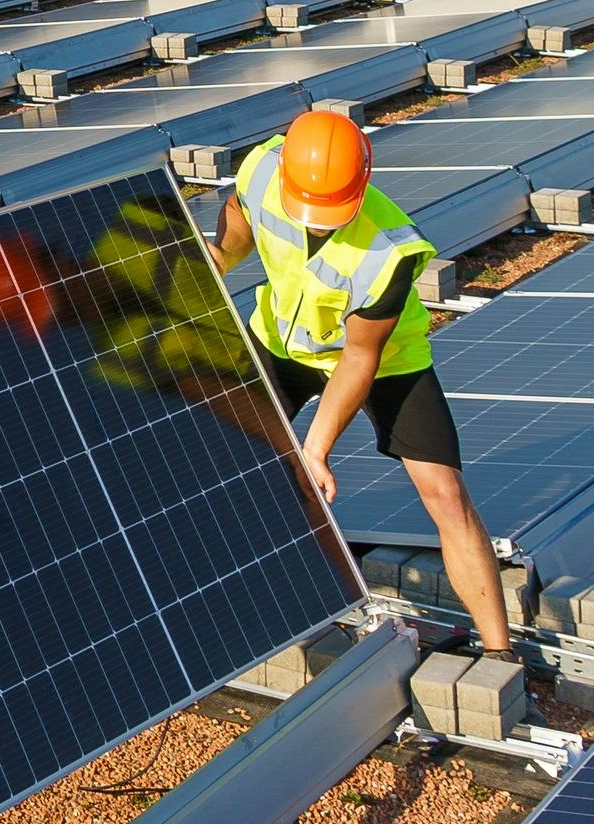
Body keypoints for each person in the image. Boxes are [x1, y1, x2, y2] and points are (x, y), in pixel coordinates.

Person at [209, 107, 521, 656]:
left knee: (446, 495)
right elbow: (236, 225)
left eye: (332, 214)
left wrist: (317, 449)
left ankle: (499, 649)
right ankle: (282, 606)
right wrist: (209, 262)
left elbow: (359, 358)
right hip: (283, 341)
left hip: (386, 359)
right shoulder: (261, 169)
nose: (317, 223)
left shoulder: (392, 249)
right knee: (231, 463)